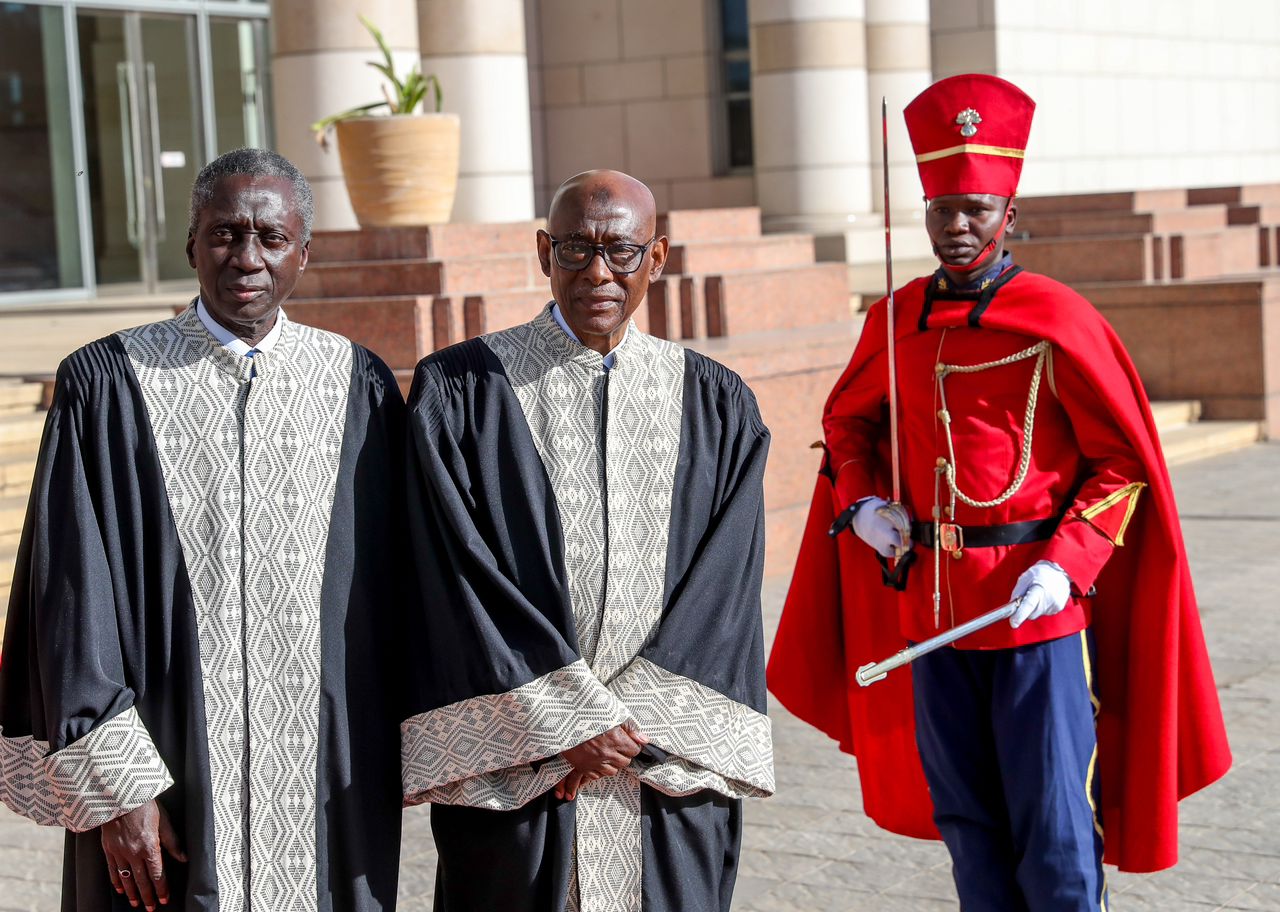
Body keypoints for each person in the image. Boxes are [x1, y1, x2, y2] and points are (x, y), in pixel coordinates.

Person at [768, 75, 1231, 910]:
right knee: (970, 832)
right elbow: (848, 428)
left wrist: (1067, 564)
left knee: (1054, 837)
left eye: (976, 209)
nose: (958, 227)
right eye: (943, 210)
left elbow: (1122, 464)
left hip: (1034, 613)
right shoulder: (895, 319)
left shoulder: (1059, 317)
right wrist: (865, 506)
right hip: (932, 619)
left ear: (1008, 213)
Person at [0, 148, 406, 911]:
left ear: (303, 254)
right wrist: (119, 790)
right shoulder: (108, 385)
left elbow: (402, 597)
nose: (246, 258)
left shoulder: (361, 388)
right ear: (191, 245)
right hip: (167, 778)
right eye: (224, 234)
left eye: (270, 237)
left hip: (325, 785)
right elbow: (70, 599)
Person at [400, 169, 774, 912]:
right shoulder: (462, 392)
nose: (597, 272)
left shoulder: (717, 401)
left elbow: (727, 589)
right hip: (522, 766)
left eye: (622, 252)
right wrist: (570, 720)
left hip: (661, 767)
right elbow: (451, 574)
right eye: (575, 250)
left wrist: (625, 728)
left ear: (658, 258)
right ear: (544, 252)